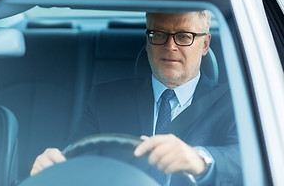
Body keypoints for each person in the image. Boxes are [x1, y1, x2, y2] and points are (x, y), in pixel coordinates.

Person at [30, 11, 242, 185]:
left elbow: (246, 161)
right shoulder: (105, 99)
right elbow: (75, 162)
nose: (170, 46)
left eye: (184, 36)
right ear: (148, 41)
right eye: (159, 34)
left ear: (205, 44)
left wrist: (200, 160)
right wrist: (51, 169)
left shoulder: (236, 103)